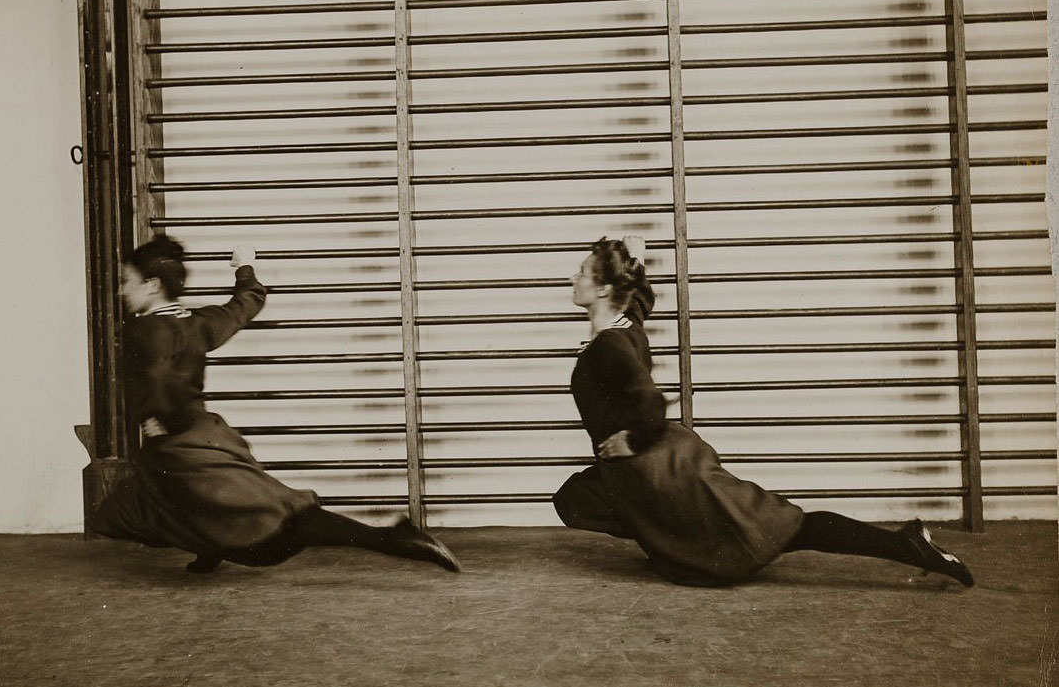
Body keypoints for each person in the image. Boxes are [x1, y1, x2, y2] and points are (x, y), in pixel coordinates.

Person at [552, 235, 974, 588]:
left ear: (604, 289)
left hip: (664, 471)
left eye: (583, 274)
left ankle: (905, 543)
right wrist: (635, 261)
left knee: (784, 528)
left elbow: (650, 405)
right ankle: (672, 543)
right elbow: (641, 299)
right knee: (577, 498)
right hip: (664, 463)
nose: (574, 279)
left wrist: (629, 440)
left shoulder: (609, 344)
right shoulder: (628, 324)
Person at [90, 235, 460, 575]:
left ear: (152, 285)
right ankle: (209, 547)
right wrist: (243, 268)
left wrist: (153, 415)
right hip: (204, 436)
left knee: (269, 529)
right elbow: (246, 302)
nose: (123, 291)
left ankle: (393, 537)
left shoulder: (143, 329)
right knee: (173, 508)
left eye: (128, 281)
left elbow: (155, 373)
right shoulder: (198, 322)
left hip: (180, 445)